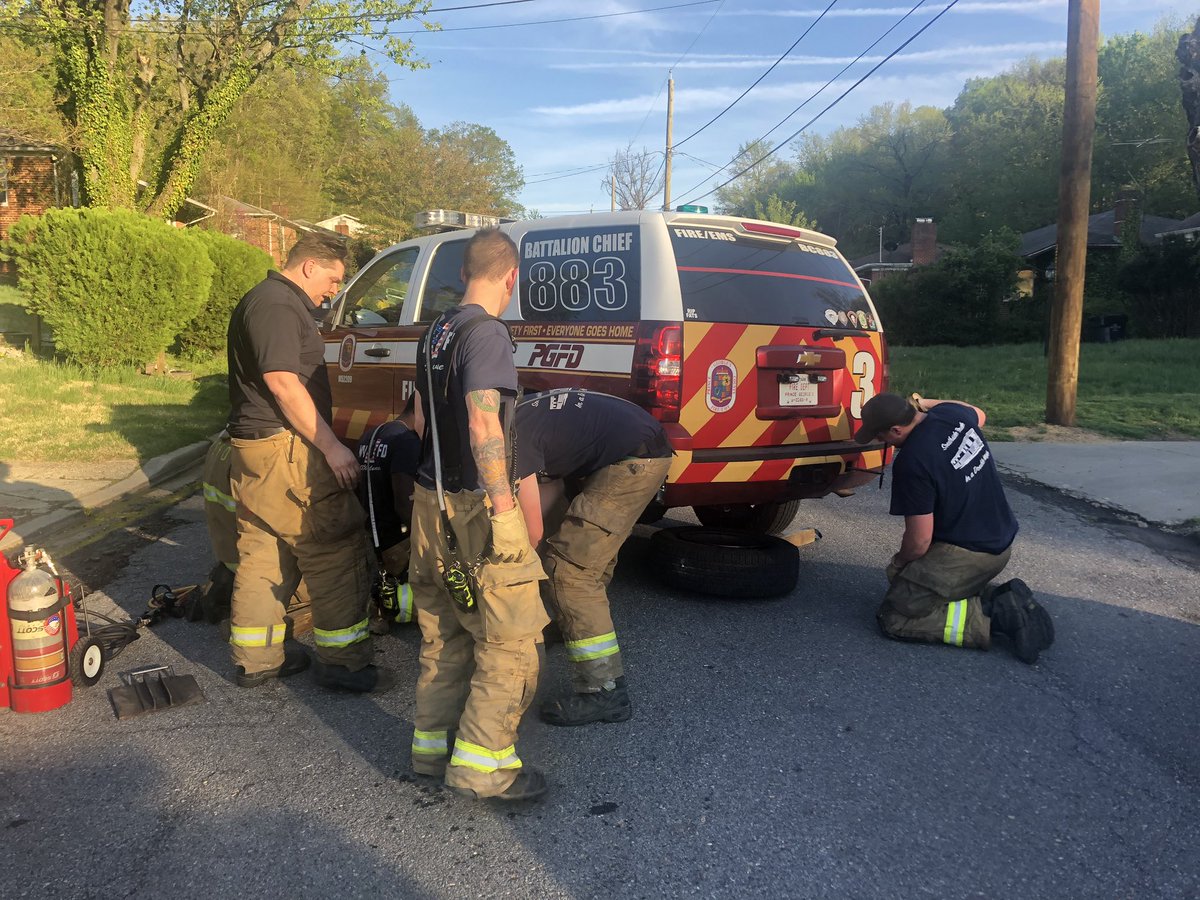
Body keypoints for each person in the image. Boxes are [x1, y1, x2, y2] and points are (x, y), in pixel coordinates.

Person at [408, 229, 550, 802]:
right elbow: (483, 423)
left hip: (428, 503)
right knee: (510, 638)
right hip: (474, 505)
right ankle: (482, 768)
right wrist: (504, 513)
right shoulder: (488, 334)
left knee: (443, 630)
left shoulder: (436, 332)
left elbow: (420, 421)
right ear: (510, 277)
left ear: (464, 272)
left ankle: (431, 749)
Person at [226, 231, 393, 692]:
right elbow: (282, 382)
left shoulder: (263, 301)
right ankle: (344, 664)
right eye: (334, 279)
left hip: (254, 448)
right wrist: (332, 447)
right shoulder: (277, 306)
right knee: (332, 547)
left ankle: (255, 660)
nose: (334, 290)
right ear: (308, 266)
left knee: (263, 552)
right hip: (286, 448)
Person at [855, 392, 1054, 664]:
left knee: (896, 616)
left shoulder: (913, 462)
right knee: (915, 585)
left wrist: (900, 563)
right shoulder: (951, 415)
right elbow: (979, 413)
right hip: (1000, 541)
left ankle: (996, 617)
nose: (880, 442)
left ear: (896, 429)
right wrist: (924, 403)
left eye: (880, 436)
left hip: (969, 555)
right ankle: (1001, 596)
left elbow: (919, 541)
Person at [513, 389, 673, 726]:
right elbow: (550, 490)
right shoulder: (524, 415)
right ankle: (568, 622)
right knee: (580, 549)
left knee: (570, 571)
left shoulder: (513, 438)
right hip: (635, 444)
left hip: (633, 461)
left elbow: (531, 532)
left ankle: (604, 691)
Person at [357, 394, 422, 631]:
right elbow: (404, 500)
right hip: (397, 539)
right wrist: (422, 536)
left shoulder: (370, 436)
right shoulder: (407, 440)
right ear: (421, 410)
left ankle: (381, 610)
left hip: (372, 533)